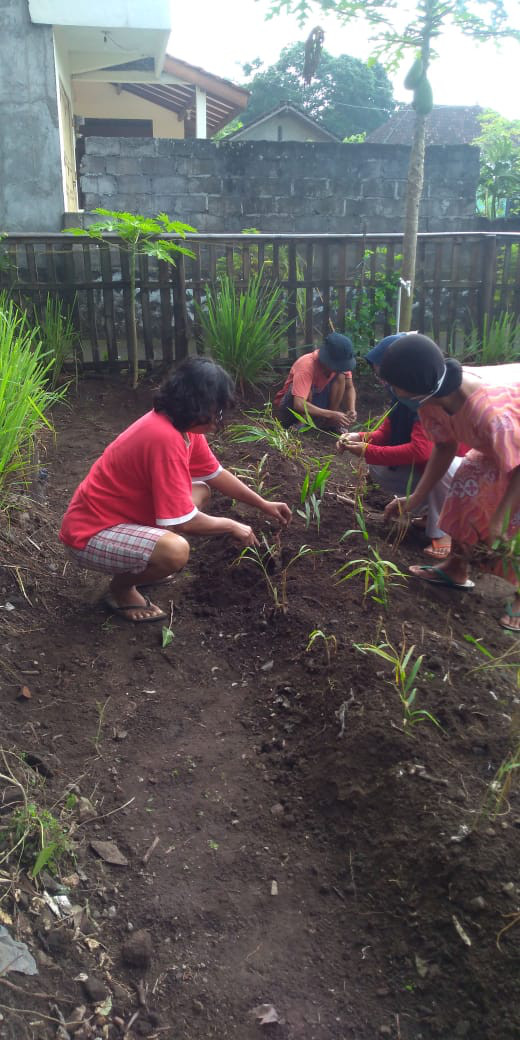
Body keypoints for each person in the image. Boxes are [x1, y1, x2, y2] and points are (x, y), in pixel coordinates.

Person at [60, 357, 292, 623]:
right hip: (90, 534)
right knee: (176, 552)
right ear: (198, 405)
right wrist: (232, 526)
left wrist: (263, 503)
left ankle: (147, 563)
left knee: (201, 490)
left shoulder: (181, 427)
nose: (219, 421)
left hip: (121, 518)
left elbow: (215, 474)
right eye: (217, 412)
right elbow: (184, 521)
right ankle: (121, 589)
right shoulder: (164, 438)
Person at [381, 334, 520, 632]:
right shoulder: (431, 399)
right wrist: (415, 498)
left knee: (514, 520)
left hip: (515, 443)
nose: (390, 390)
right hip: (494, 449)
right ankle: (457, 567)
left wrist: (501, 518)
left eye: (394, 385)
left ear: (414, 386)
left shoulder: (491, 415)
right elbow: (444, 446)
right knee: (466, 479)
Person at [336, 333, 463, 560]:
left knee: (440, 468)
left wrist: (366, 451)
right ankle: (430, 514)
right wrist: (357, 437)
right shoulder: (403, 398)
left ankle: (444, 533)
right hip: (438, 465)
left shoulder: (425, 399)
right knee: (379, 468)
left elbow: (421, 452)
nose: (383, 383)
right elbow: (386, 432)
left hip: (459, 468)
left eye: (385, 377)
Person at [274, 331, 357, 432]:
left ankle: (328, 422)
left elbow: (349, 387)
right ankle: (301, 422)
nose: (339, 367)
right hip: (291, 409)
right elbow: (299, 404)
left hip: (317, 404)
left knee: (341, 376)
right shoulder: (306, 365)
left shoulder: (340, 365)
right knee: (305, 390)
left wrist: (351, 409)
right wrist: (331, 414)